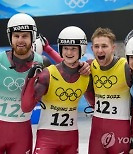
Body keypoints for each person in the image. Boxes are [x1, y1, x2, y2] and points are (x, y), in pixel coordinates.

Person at [21, 26, 94, 154]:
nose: (69, 52)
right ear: (61, 49)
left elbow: (94, 103)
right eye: (65, 48)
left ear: (81, 49)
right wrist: (31, 79)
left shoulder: (85, 75)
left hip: (71, 137)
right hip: (47, 137)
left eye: (73, 48)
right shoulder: (46, 75)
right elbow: (26, 107)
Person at [0, 12, 54, 154]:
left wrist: (82, 67)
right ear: (10, 37)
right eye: (16, 36)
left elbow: (68, 70)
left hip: (22, 132)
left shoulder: (43, 62)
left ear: (32, 36)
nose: (20, 40)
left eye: (25, 36)